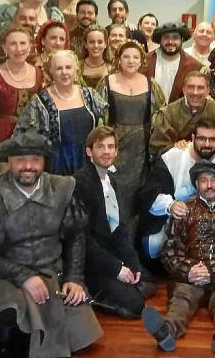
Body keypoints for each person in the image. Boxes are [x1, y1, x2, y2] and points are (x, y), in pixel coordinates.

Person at [0, 132, 102, 356]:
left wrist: (74, 278)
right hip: (2, 273)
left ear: (44, 162)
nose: (28, 166)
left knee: (74, 335)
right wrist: (23, 276)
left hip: (51, 271)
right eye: (20, 159)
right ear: (9, 161)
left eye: (35, 159)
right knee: (8, 319)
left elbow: (76, 236)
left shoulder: (63, 189)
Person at [141, 161, 215, 354]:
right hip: (191, 276)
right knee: (181, 297)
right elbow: (170, 252)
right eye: (204, 180)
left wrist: (213, 272)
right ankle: (166, 332)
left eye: (214, 180)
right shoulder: (183, 211)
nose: (209, 185)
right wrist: (189, 271)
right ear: (196, 184)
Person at [74, 127, 144, 318]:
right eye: (100, 147)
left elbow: (119, 228)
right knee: (135, 306)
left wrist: (132, 262)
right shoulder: (80, 182)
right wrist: (117, 268)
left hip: (110, 253)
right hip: (90, 261)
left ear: (116, 151)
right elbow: (83, 239)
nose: (106, 151)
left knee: (144, 280)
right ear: (89, 151)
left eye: (111, 147)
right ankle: (92, 296)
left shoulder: (112, 180)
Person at [141, 118, 215, 258]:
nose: (207, 144)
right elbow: (149, 194)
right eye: (202, 139)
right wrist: (170, 205)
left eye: (212, 140)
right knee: (154, 245)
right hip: (177, 222)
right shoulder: (171, 157)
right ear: (192, 138)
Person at [15, 50, 108, 175]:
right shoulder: (40, 101)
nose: (64, 72)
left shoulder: (90, 95)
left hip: (89, 164)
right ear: (51, 71)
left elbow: (105, 129)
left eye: (68, 67)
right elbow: (22, 136)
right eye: (59, 68)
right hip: (56, 168)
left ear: (76, 69)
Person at [100, 40, 165, 186]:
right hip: (114, 142)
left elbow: (161, 114)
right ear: (119, 59)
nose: (131, 61)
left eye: (135, 57)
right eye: (126, 57)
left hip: (142, 145)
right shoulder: (107, 83)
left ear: (141, 61)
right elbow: (99, 116)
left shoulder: (151, 84)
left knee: (140, 185)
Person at [0, 26, 43, 145]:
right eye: (13, 44)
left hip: (31, 138)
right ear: (4, 48)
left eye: (23, 43)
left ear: (30, 46)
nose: (19, 49)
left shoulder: (41, 75)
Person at [150, 71, 215, 153]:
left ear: (208, 91)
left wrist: (207, 146)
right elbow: (157, 148)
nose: (195, 92)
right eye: (191, 87)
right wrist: (174, 146)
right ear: (184, 89)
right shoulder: (168, 114)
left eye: (200, 88)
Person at [143, 21, 201, 103]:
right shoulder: (145, 61)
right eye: (166, 38)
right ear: (160, 40)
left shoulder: (193, 65)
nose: (170, 42)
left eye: (175, 38)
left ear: (182, 40)